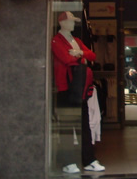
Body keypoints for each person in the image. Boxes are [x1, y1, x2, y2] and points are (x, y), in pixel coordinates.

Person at [51, 11, 105, 174]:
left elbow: (92, 55)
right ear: (62, 23)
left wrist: (79, 53)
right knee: (67, 127)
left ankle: (89, 159)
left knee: (84, 125)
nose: (73, 24)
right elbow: (66, 59)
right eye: (71, 21)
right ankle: (68, 161)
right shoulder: (56, 40)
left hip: (79, 89)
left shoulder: (77, 41)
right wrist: (83, 59)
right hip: (65, 88)